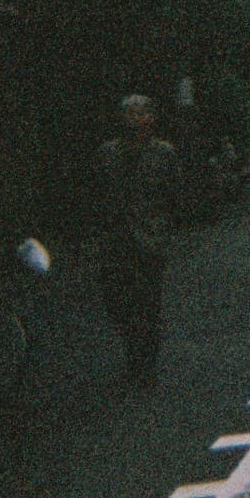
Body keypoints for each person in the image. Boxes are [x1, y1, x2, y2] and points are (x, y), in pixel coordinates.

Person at [96, 95, 181, 389]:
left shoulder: (164, 154)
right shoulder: (107, 153)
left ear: (151, 118)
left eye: (140, 113)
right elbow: (98, 194)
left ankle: (144, 365)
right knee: (118, 301)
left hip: (149, 239)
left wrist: (163, 228)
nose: (133, 119)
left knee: (147, 303)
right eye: (128, 114)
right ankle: (134, 353)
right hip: (115, 240)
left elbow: (175, 193)